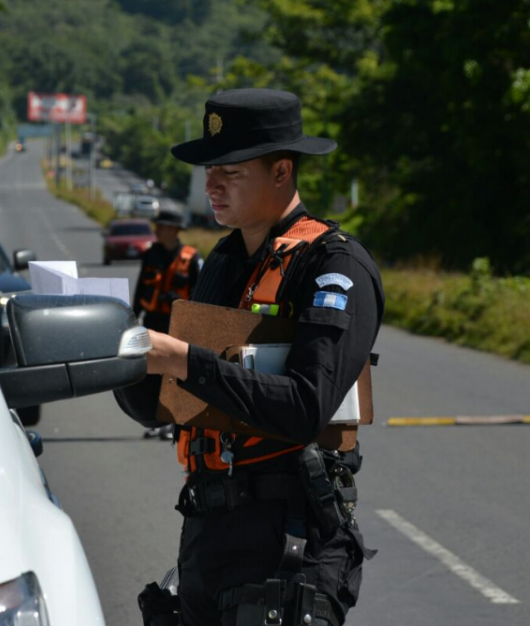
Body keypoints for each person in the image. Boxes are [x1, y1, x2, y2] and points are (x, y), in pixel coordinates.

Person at [116, 89, 385, 626]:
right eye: (209, 170)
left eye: (231, 172)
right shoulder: (224, 259)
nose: (211, 185)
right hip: (207, 533)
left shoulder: (334, 266)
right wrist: (120, 361)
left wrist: (184, 360)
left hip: (288, 544)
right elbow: (173, 406)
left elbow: (306, 407)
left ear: (282, 171)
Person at [132, 208, 203, 438]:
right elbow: (141, 288)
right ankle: (157, 421)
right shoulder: (151, 254)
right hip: (153, 322)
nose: (156, 231)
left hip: (178, 325)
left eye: (161, 227)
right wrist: (132, 318)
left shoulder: (192, 258)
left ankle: (174, 423)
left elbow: (199, 296)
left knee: (174, 374)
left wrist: (178, 302)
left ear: (174, 230)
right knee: (152, 373)